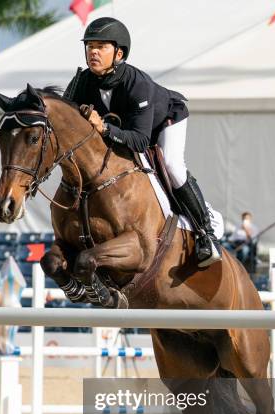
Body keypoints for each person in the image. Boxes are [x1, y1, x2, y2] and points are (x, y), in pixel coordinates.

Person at [64, 17, 221, 267]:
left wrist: (103, 126)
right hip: (125, 128)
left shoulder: (138, 84)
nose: (93, 51)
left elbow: (139, 140)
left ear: (119, 53)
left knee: (171, 165)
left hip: (165, 120)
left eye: (101, 46)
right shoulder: (81, 82)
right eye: (90, 46)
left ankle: (206, 233)